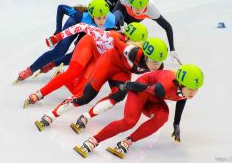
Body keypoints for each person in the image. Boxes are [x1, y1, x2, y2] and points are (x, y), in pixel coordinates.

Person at [34, 37, 168, 133]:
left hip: (122, 71)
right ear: (145, 56)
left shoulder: (159, 66)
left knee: (119, 95)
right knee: (85, 97)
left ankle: (86, 117)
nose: (156, 66)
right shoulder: (132, 51)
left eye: (159, 62)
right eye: (153, 62)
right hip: (108, 63)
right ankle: (51, 115)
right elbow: (116, 41)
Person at [73, 64, 204, 158]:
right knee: (129, 121)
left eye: (196, 89)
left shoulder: (184, 91)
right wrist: (126, 85)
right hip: (141, 90)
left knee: (162, 116)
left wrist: (176, 124)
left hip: (154, 98)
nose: (193, 92)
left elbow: (182, 98)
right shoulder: (164, 86)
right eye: (191, 89)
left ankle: (128, 141)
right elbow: (142, 87)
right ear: (180, 84)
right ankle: (93, 140)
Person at [23, 22, 148, 110]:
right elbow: (81, 26)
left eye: (140, 45)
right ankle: (39, 94)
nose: (137, 48)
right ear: (127, 37)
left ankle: (61, 76)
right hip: (88, 44)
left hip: (99, 58)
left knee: (78, 92)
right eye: (136, 44)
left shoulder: (132, 50)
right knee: (74, 72)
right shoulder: (110, 37)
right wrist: (57, 37)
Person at [15, 0, 124, 83]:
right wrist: (58, 30)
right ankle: (30, 70)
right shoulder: (80, 15)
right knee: (60, 50)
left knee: (79, 54)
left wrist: (120, 27)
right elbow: (61, 8)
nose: (102, 21)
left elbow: (119, 13)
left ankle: (52, 64)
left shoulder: (111, 20)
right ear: (92, 15)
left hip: (87, 29)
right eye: (98, 18)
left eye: (104, 17)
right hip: (75, 23)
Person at [85, 0, 181, 64]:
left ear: (146, 5)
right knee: (112, 28)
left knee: (125, 37)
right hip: (123, 10)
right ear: (130, 3)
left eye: (141, 7)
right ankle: (94, 46)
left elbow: (167, 27)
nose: (138, 10)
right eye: (135, 6)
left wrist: (172, 49)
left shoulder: (151, 10)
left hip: (133, 19)